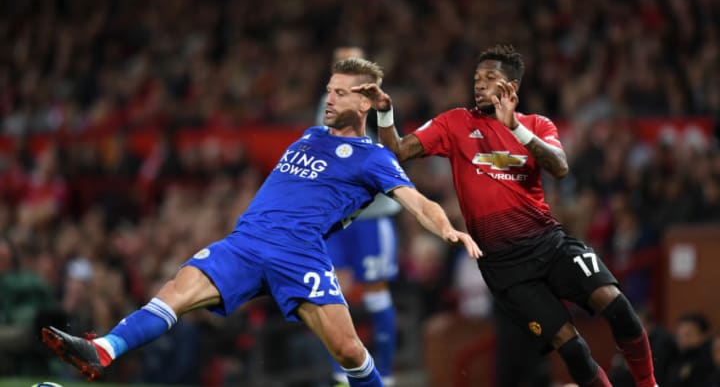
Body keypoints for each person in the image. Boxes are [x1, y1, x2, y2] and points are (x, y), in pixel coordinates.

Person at [40, 58, 481, 387]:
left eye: (341, 93)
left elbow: (417, 201)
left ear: (364, 101)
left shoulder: (374, 159)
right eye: (328, 90)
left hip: (299, 253)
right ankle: (104, 349)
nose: (328, 99)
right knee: (175, 292)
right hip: (246, 242)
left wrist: (446, 229)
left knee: (349, 351)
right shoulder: (309, 136)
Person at [352, 44, 657, 387]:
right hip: (506, 269)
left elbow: (559, 167)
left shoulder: (537, 124)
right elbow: (398, 150)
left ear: (511, 87)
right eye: (476, 78)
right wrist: (386, 114)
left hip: (550, 243)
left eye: (490, 77)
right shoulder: (455, 122)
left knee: (618, 307)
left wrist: (515, 127)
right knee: (571, 350)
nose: (479, 84)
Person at [316, 46, 403, 387]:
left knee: (376, 294)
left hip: (372, 218)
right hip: (337, 220)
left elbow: (391, 154)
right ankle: (342, 377)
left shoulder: (379, 104)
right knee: (332, 294)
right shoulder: (324, 105)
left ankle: (389, 376)